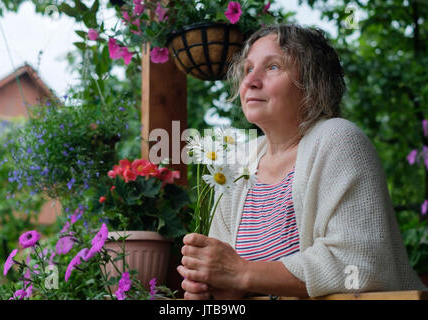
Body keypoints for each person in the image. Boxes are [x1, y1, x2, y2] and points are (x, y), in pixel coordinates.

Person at [176, 24, 426, 299]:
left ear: (312, 83)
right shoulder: (236, 163)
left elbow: (359, 265)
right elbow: (226, 276)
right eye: (247, 69)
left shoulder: (338, 139)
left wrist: (242, 273)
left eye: (272, 67)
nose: (250, 81)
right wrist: (210, 290)